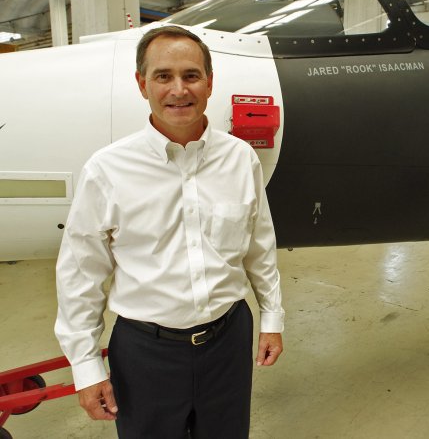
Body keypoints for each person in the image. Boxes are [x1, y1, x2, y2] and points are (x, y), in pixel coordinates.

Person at [55, 25, 284, 438]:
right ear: (142, 84)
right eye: (163, 76)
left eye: (191, 75)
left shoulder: (240, 159)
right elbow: (80, 274)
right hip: (146, 353)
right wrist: (86, 367)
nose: (179, 89)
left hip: (228, 342)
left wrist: (272, 318)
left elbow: (259, 247)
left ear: (209, 83)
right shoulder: (107, 170)